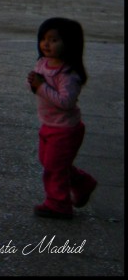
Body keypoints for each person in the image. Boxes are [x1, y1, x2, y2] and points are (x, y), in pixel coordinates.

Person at [26, 17, 97, 219]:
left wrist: (41, 87)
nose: (47, 44)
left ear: (69, 44)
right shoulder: (42, 63)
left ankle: (58, 204)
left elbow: (66, 101)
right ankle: (83, 183)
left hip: (65, 129)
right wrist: (33, 84)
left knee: (54, 168)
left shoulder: (68, 74)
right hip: (48, 125)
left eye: (54, 40)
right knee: (48, 161)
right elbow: (36, 87)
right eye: (44, 39)